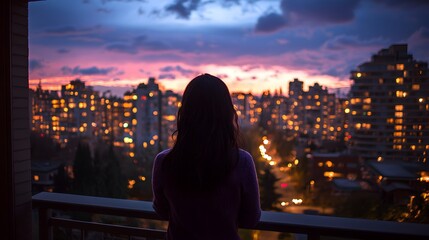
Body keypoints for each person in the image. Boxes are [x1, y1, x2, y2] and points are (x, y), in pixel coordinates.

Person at [152, 73, 261, 240]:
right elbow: (251, 219)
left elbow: (161, 210)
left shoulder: (164, 162)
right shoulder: (241, 162)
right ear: (227, 114)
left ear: (185, 114)